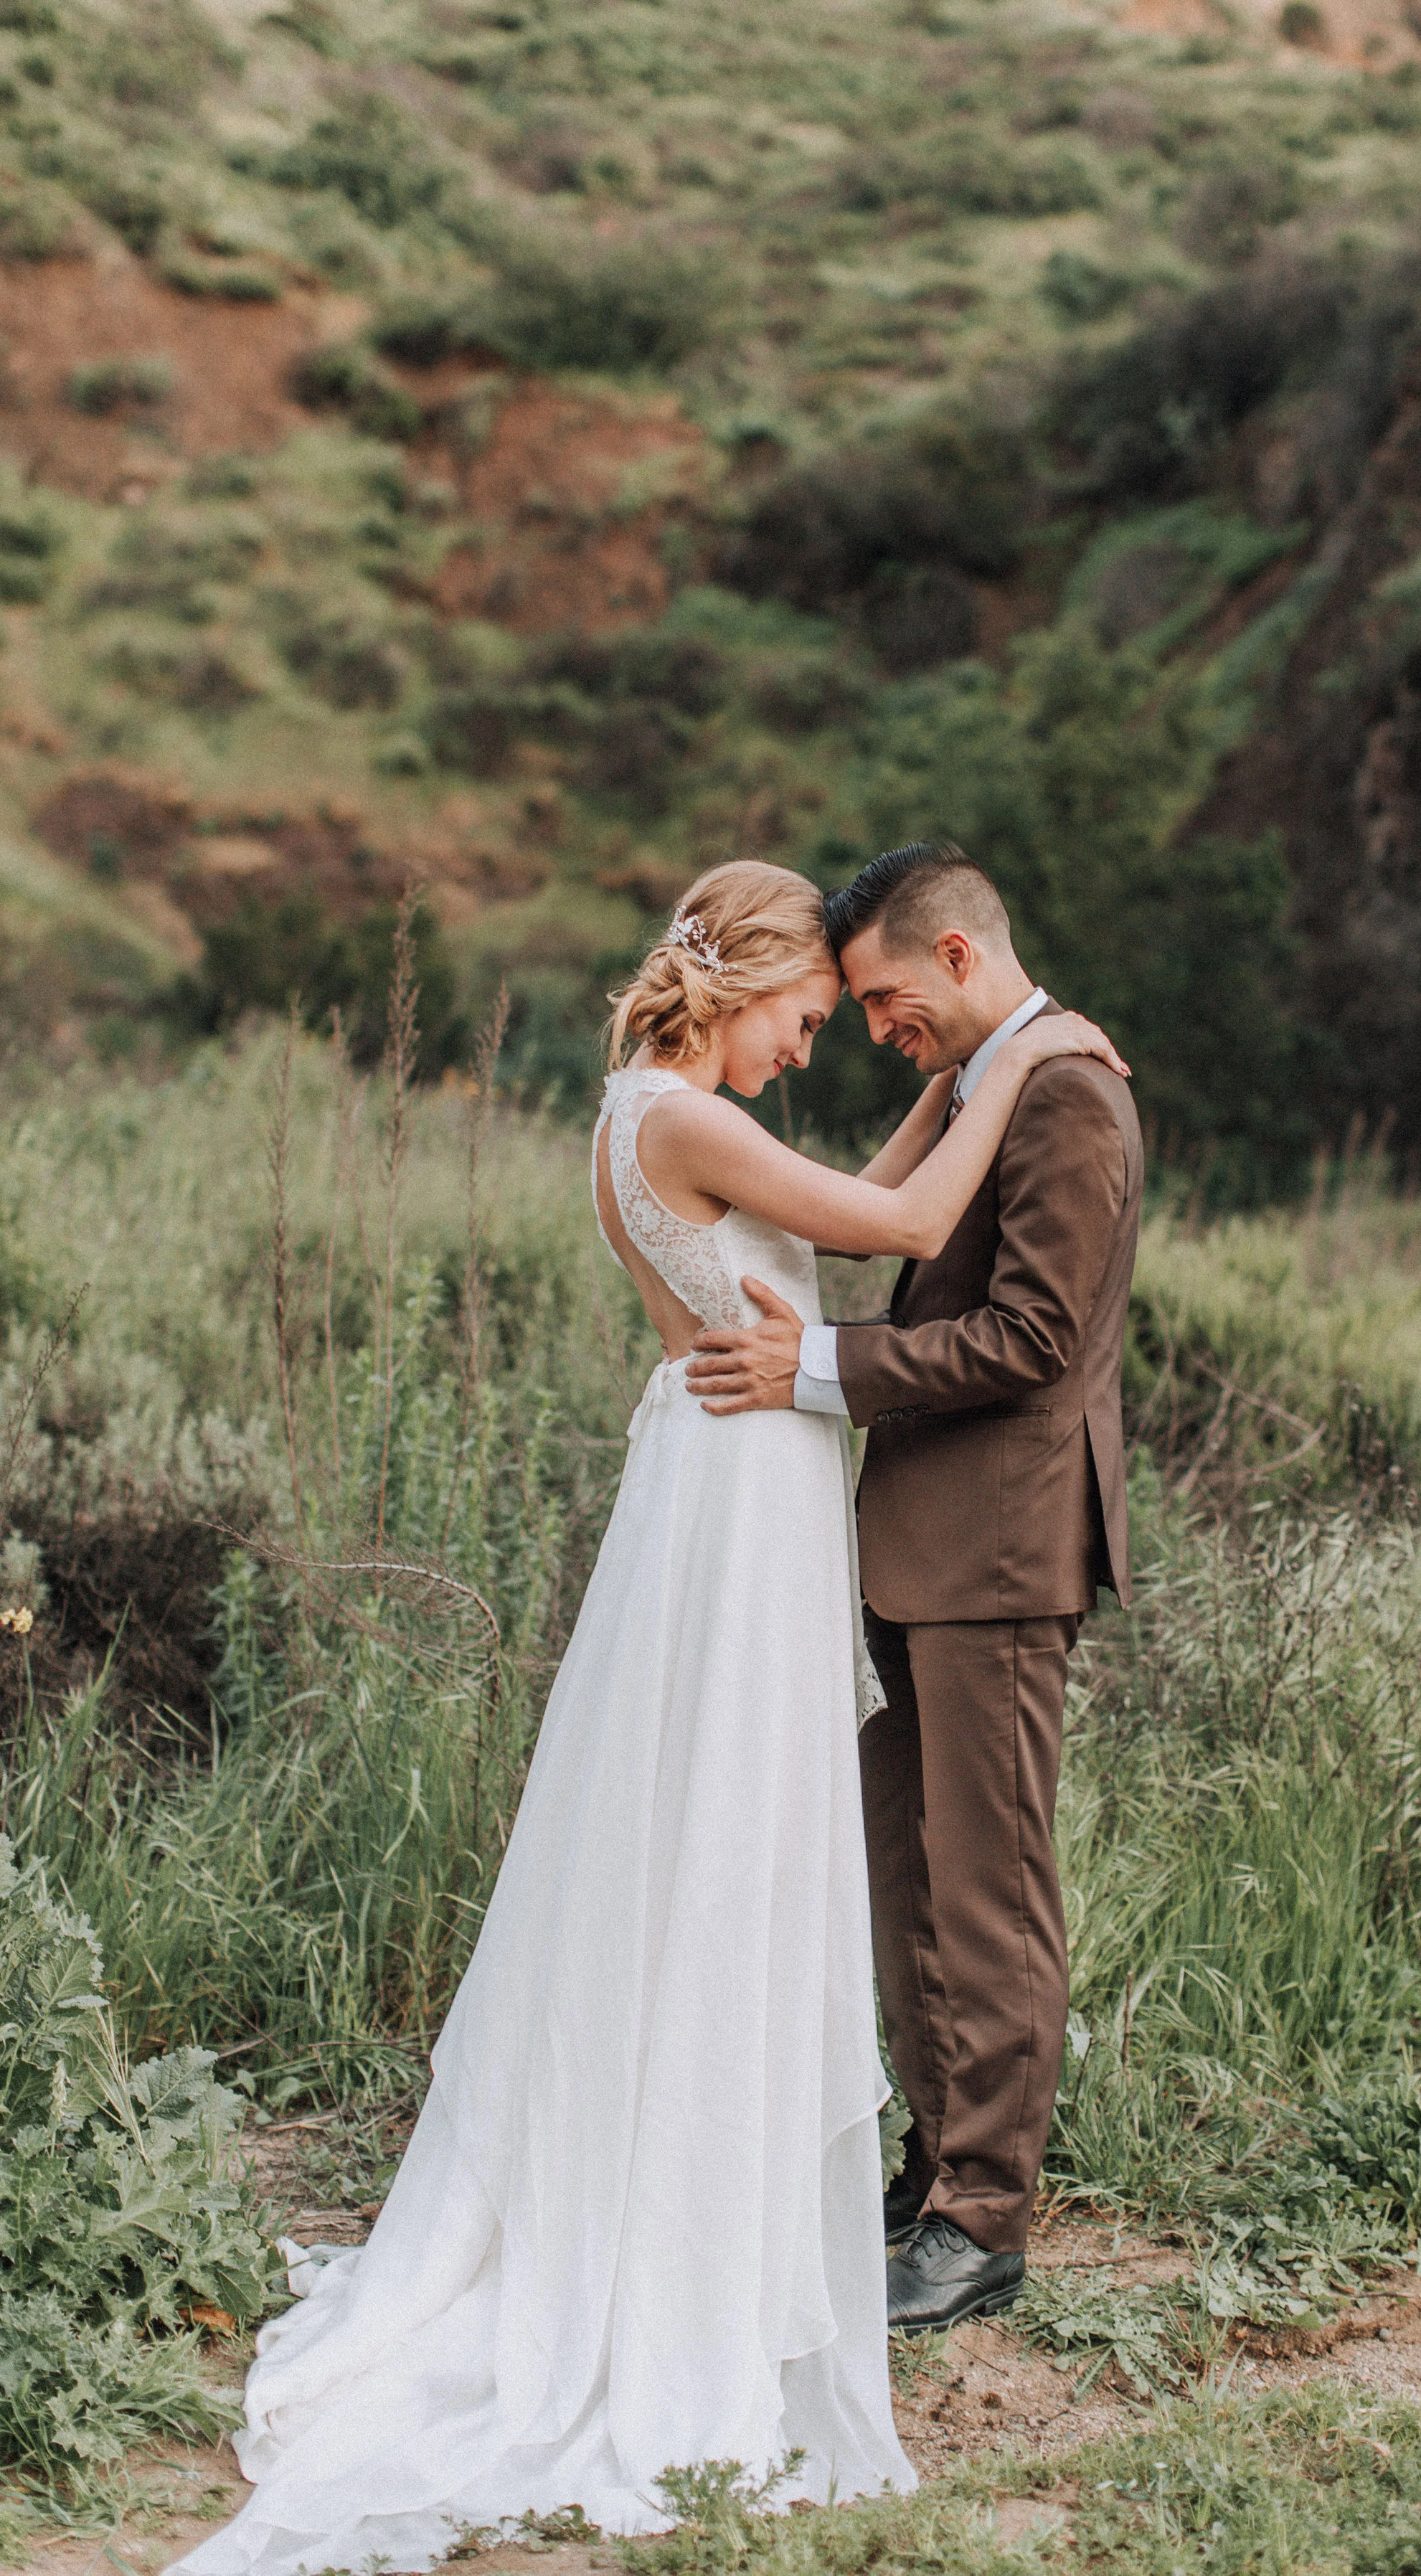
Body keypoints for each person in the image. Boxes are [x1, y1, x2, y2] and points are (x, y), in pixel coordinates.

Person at [175, 859, 1126, 2576]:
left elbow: (859, 1187)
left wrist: (970, 1073)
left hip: (742, 1480)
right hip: (743, 1480)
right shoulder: (677, 1121)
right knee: (736, 1842)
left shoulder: (664, 1115)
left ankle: (801, 2184)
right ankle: (720, 2205)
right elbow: (900, 1231)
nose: (817, 1047)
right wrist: (1024, 1054)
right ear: (736, 984)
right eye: (806, 1016)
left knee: (745, 1837)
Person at [686, 844, 1144, 2337]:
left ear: (955, 958)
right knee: (911, 1884)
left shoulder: (1067, 1089)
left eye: (882, 1000)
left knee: (990, 1892)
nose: (874, 1031)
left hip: (1003, 1553)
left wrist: (811, 1370)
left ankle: (984, 2222)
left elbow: (1030, 1337)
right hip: (912, 1545)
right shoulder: (985, 1078)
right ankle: (935, 2171)